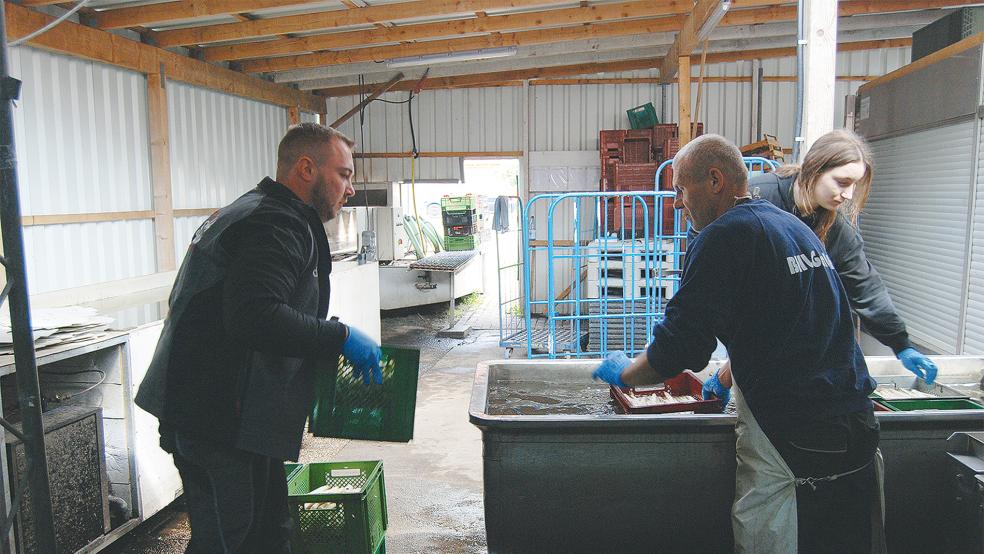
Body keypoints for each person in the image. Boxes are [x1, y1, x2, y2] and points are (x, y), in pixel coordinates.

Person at [592, 135, 882, 553]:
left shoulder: (723, 235)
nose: (676, 203)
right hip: (855, 426)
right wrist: (727, 376)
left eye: (680, 188)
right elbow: (789, 325)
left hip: (795, 435)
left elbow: (681, 348)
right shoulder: (794, 229)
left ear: (714, 180)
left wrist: (626, 373)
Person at [135, 123, 382, 552]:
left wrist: (324, 333)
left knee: (268, 533)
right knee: (230, 540)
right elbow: (255, 316)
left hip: (231, 414)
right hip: (215, 416)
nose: (351, 188)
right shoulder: (275, 223)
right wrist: (339, 336)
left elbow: (257, 306)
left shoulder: (257, 209)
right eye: (343, 174)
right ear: (306, 168)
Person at [703, 129, 938, 406]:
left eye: (854, 185)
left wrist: (902, 344)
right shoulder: (758, 198)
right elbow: (712, 261)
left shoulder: (835, 229)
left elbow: (865, 287)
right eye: (842, 182)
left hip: (792, 356)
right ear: (815, 168)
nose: (848, 194)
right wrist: (725, 366)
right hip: (746, 337)